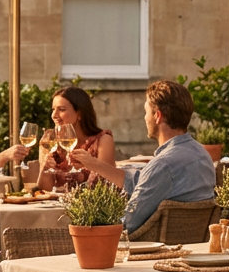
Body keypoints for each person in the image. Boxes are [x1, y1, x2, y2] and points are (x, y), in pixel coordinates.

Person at [71, 80, 216, 234]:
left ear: (158, 116)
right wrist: (94, 164)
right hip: (191, 246)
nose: (145, 118)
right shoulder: (201, 154)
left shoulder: (163, 165)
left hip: (150, 249)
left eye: (146, 111)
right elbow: (142, 182)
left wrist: (86, 218)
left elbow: (128, 221)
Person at [36, 86, 115, 190]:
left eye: (61, 110)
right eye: (53, 109)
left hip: (91, 205)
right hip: (56, 205)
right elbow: (44, 190)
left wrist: (92, 163)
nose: (54, 115)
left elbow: (108, 183)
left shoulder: (103, 140)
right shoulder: (50, 141)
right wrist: (44, 168)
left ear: (79, 114)